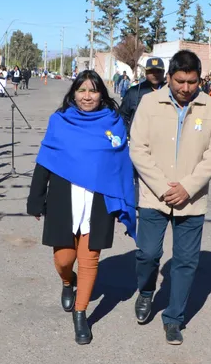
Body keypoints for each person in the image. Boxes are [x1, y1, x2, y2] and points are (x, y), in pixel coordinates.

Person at [27, 70, 136, 344]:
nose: (87, 96)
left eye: (93, 90)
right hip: (65, 199)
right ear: (73, 93)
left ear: (102, 94)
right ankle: (67, 282)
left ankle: (81, 313)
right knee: (64, 259)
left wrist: (124, 198)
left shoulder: (114, 123)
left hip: (98, 202)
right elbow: (45, 160)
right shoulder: (60, 121)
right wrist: (36, 200)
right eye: (82, 90)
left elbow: (121, 164)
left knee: (90, 260)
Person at [128, 50, 211, 345]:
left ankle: (174, 318)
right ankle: (146, 292)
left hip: (191, 199)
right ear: (169, 77)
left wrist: (188, 187)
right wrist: (162, 187)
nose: (185, 88)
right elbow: (138, 148)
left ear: (200, 80)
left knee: (185, 261)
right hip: (154, 196)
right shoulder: (149, 102)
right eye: (180, 81)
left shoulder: (210, 107)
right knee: (147, 253)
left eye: (192, 82)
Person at [119, 57, 165, 136]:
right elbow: (122, 116)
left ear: (163, 72)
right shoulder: (134, 92)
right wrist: (129, 133)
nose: (155, 74)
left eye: (158, 71)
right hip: (139, 141)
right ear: (146, 72)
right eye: (151, 71)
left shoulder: (171, 91)